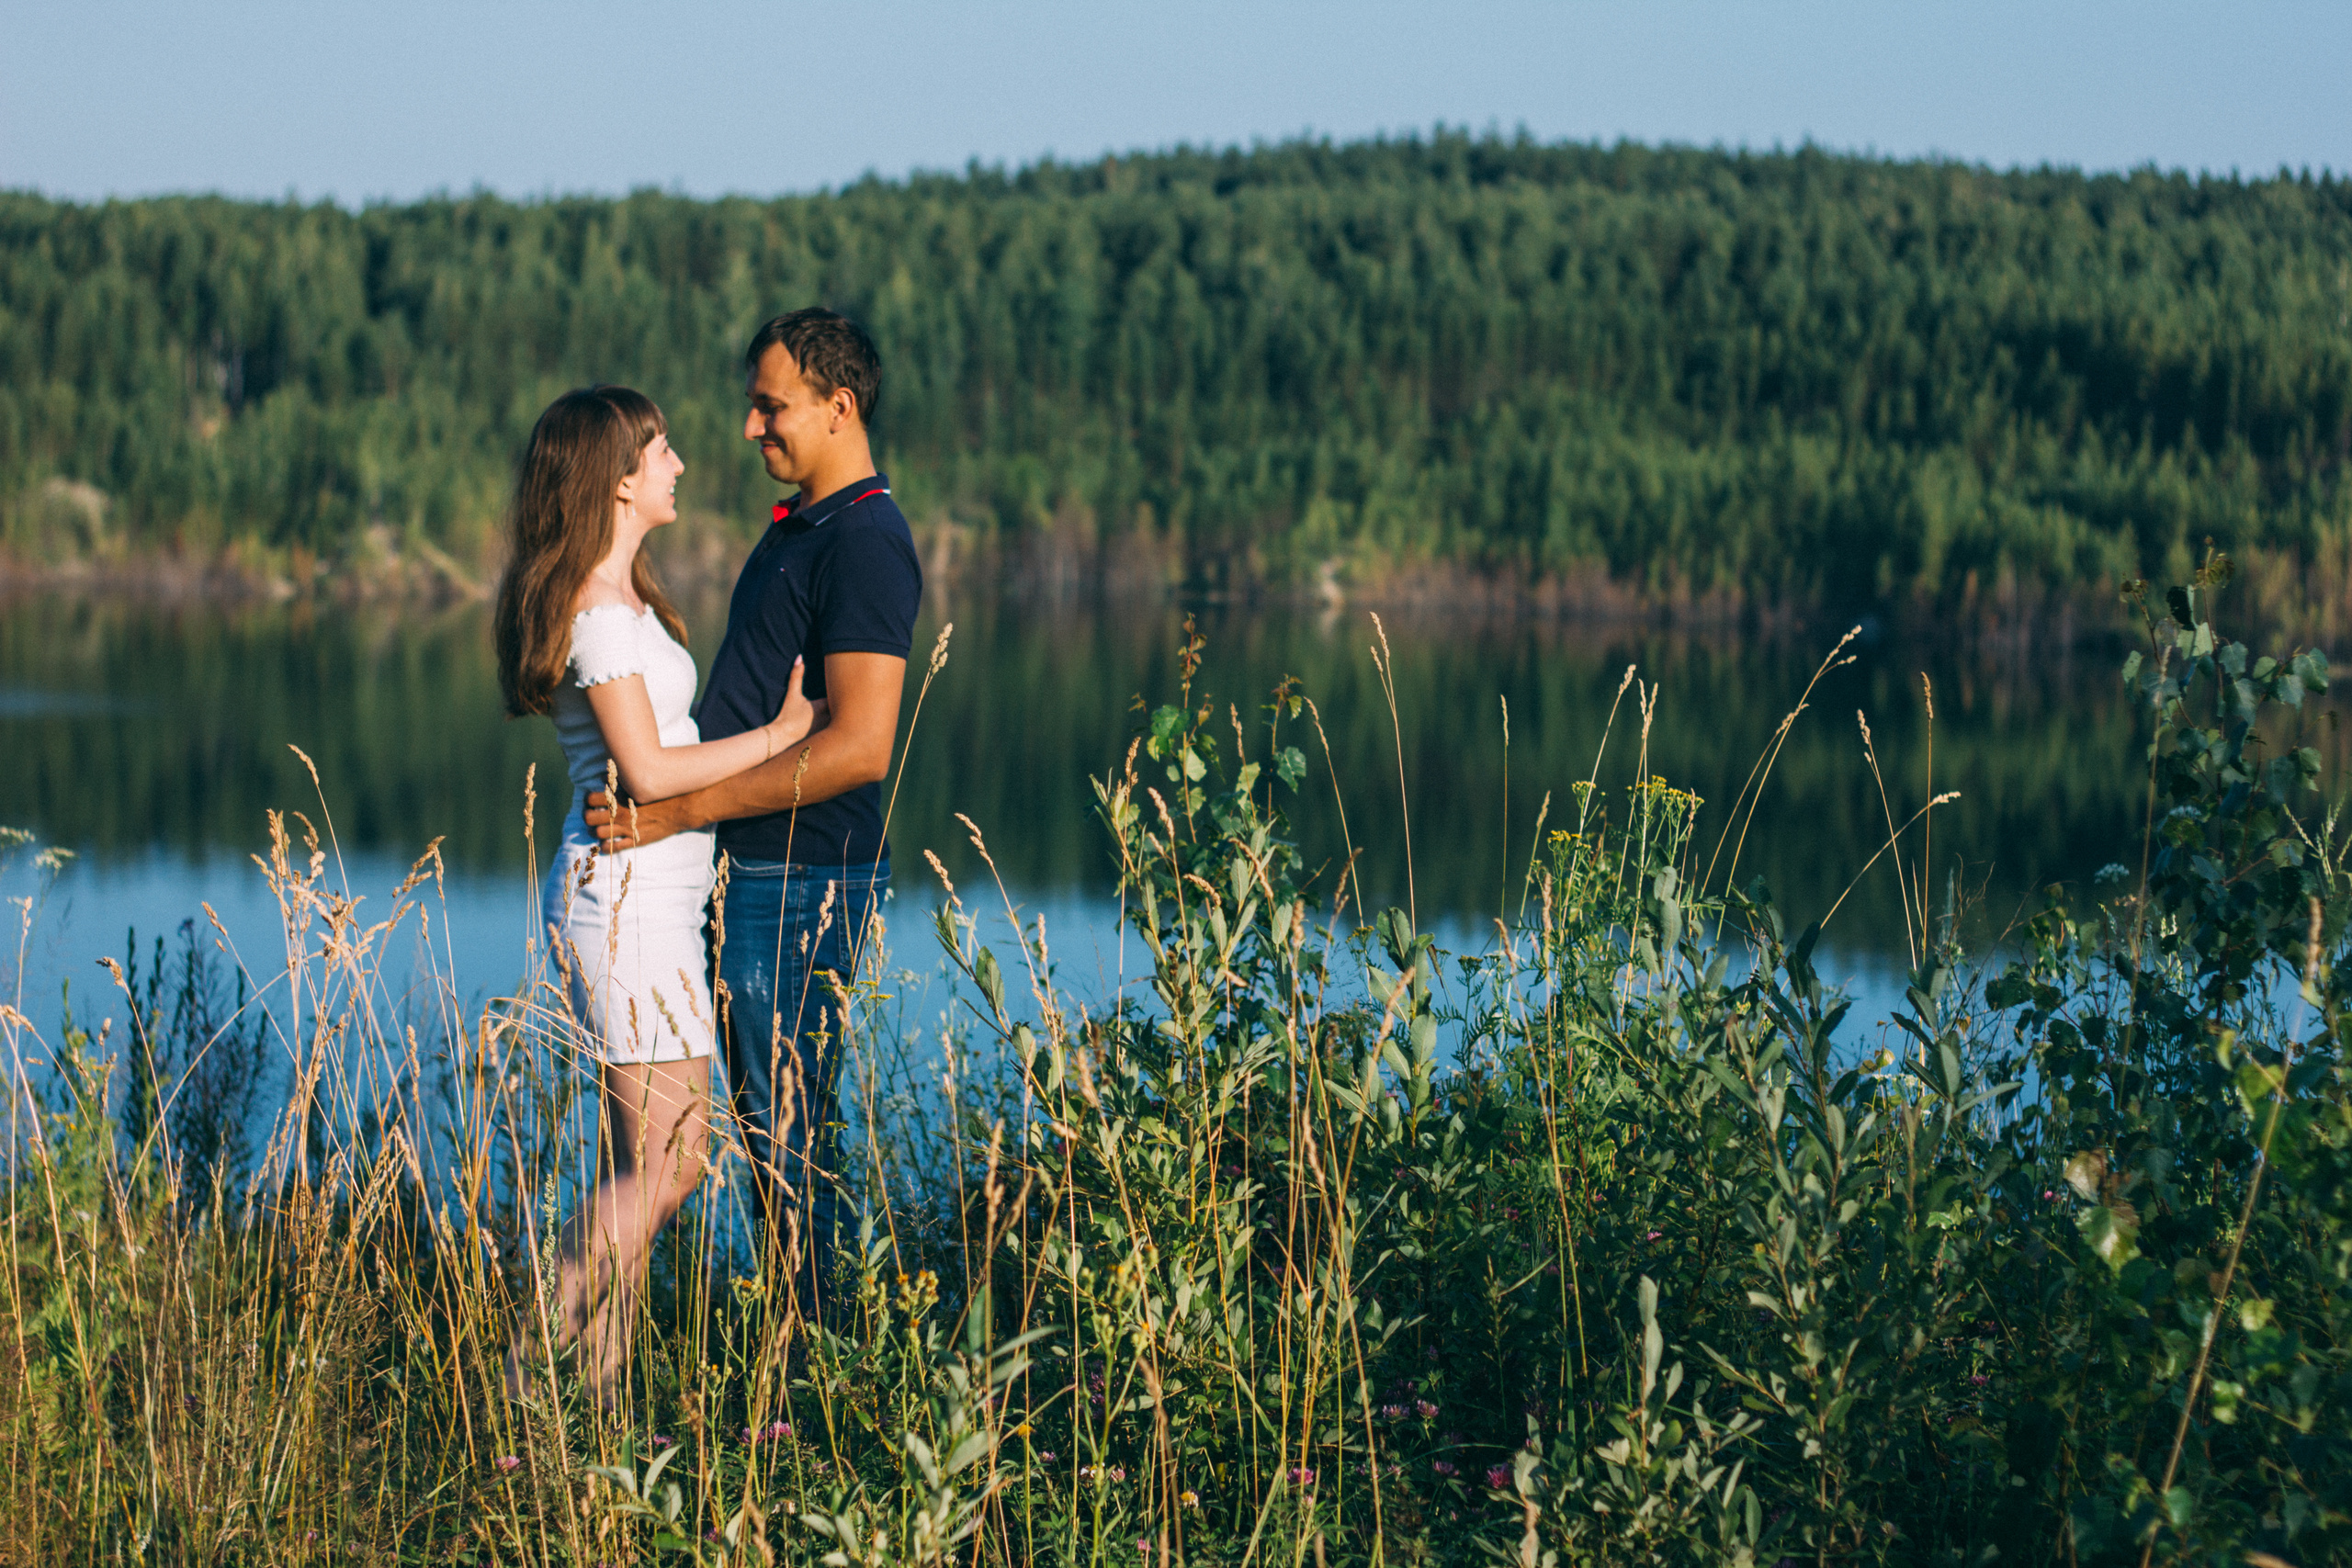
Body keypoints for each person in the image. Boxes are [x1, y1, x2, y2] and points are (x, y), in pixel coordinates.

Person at [583, 310, 921, 1322]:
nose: (749, 426)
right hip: (754, 874)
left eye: (771, 407)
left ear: (839, 406)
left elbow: (860, 747)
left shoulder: (864, 541)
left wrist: (673, 809)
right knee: (764, 1140)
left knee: (790, 1143)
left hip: (798, 879)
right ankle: (784, 1356)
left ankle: (826, 1366)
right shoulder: (803, 529)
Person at [492, 384, 824, 1398]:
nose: (680, 464)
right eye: (663, 450)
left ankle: (595, 1403)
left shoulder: (624, 597)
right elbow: (644, 770)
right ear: (618, 478)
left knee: (637, 1167)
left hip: (654, 900)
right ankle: (524, 1369)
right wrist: (779, 736)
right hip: (624, 907)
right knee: (676, 1165)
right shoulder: (596, 615)